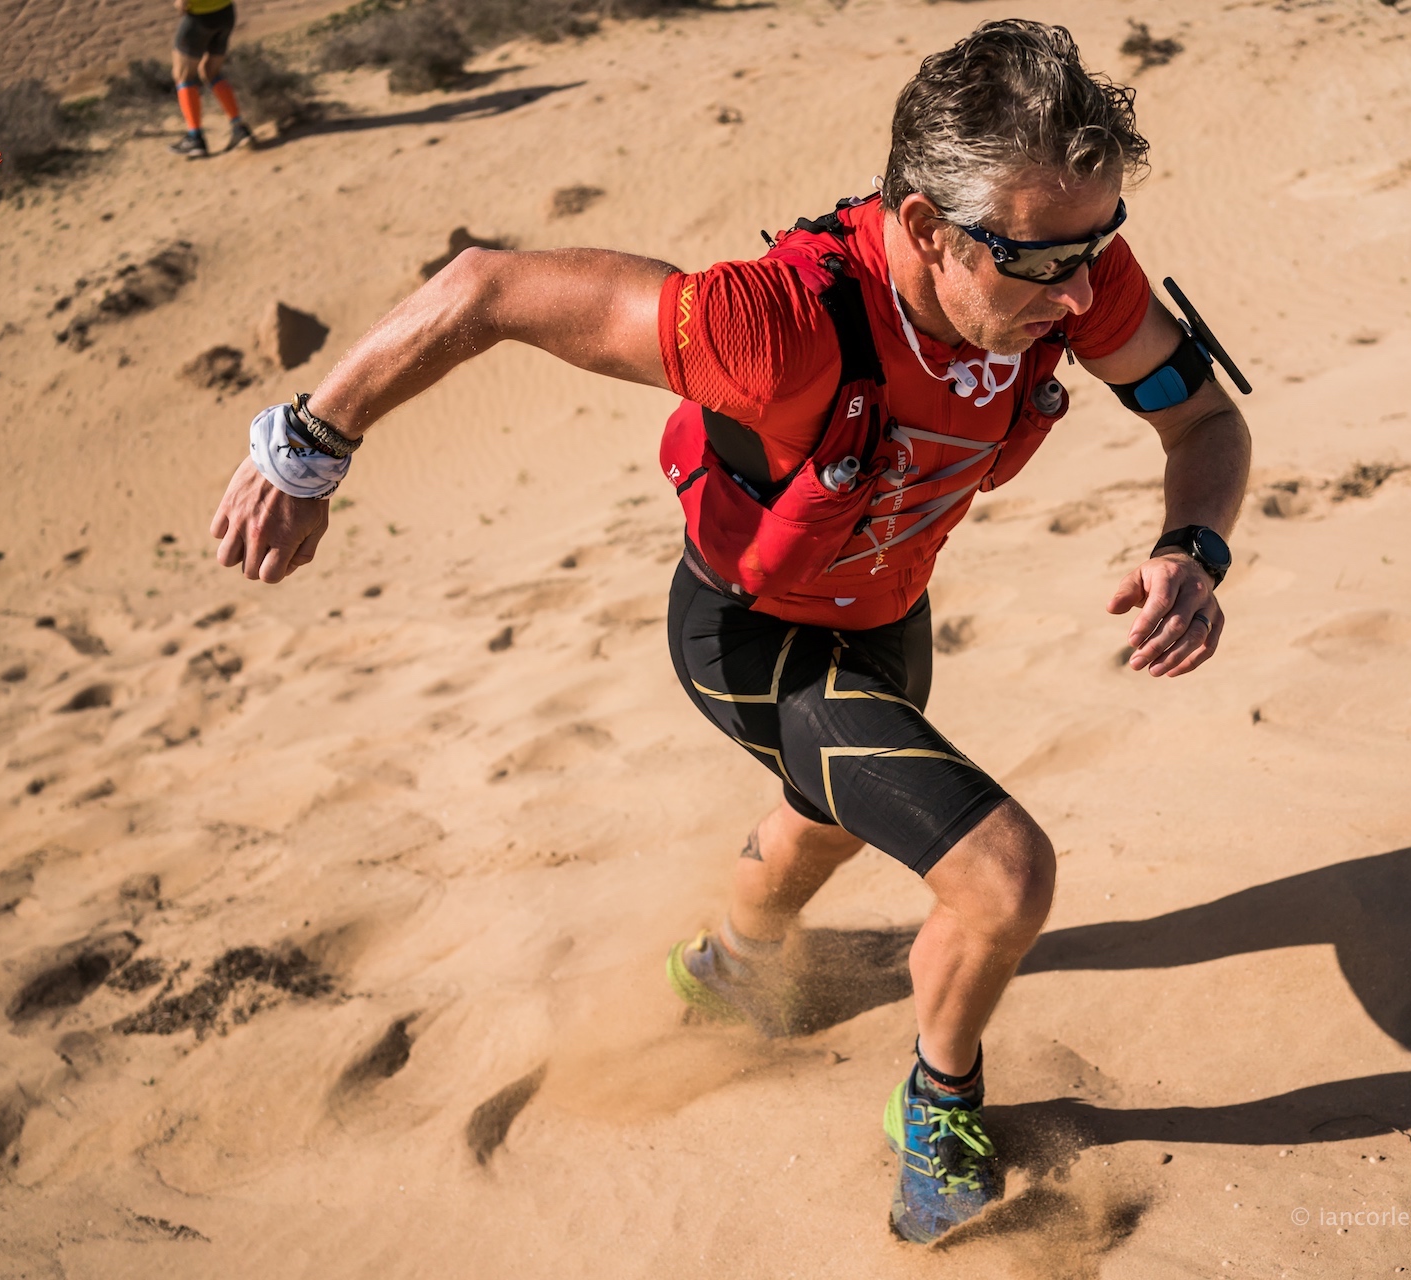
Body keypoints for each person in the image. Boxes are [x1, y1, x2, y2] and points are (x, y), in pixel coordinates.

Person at [209, 20, 1251, 1243]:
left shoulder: (1069, 272)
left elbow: (1204, 424)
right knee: (1004, 875)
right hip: (751, 632)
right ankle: (937, 1098)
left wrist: (1193, 548)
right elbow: (484, 288)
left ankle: (733, 963)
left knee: (832, 806)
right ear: (927, 227)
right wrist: (307, 448)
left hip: (887, 616)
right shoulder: (773, 327)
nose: (1081, 291)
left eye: (1099, 244)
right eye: (1044, 259)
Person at [169, 0, 253, 158]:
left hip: (200, 16)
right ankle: (239, 129)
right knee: (210, 72)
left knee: (183, 75)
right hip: (225, 12)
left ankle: (195, 138)